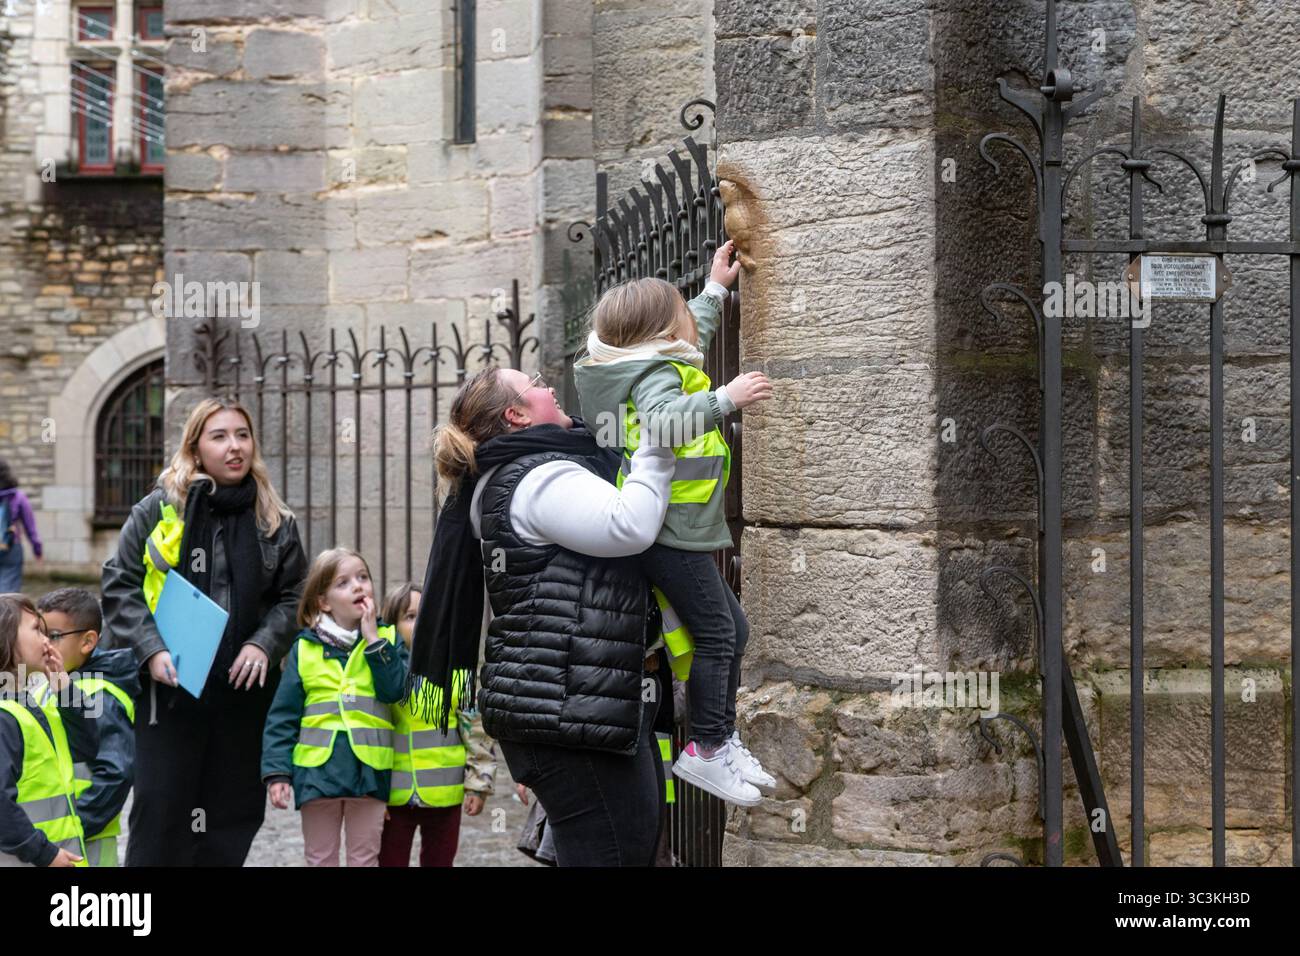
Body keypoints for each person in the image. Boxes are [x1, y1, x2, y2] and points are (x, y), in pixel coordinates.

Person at [407, 365, 676, 866]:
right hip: (569, 711)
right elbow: (630, 524)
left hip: (566, 706)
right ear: (516, 413)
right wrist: (657, 446)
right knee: (616, 855)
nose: (549, 385)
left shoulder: (511, 473)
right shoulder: (538, 477)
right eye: (535, 382)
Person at [572, 241, 775, 805]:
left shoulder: (648, 362)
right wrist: (725, 400)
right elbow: (664, 423)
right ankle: (707, 749)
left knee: (731, 630)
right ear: (662, 334)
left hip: (673, 526)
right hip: (666, 530)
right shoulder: (654, 376)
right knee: (718, 633)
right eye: (683, 311)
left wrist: (714, 290)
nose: (692, 316)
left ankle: (720, 740)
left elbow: (694, 336)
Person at [100, 397, 308, 866]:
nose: (234, 447)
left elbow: (296, 594)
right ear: (195, 448)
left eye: (242, 435)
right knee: (161, 809)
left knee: (231, 814)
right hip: (168, 690)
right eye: (219, 436)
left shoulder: (276, 519)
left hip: (243, 692)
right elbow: (119, 583)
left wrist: (263, 642)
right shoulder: (159, 508)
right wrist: (151, 649)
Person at [261, 548, 405, 867]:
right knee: (320, 858)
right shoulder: (304, 650)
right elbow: (282, 717)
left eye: (363, 577)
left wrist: (373, 641)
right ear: (323, 601)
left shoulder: (388, 640)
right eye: (343, 582)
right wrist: (277, 773)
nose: (358, 586)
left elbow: (394, 689)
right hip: (317, 774)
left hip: (370, 772)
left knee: (364, 859)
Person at [378, 582, 496, 867]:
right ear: (391, 624)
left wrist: (478, 785)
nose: (420, 623)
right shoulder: (383, 672)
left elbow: (476, 731)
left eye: (426, 614)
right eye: (409, 616)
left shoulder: (455, 669)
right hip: (394, 798)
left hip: (446, 795)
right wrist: (373, 794)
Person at [36, 587, 138, 867]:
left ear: (88, 642)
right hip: (55, 840)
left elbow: (116, 773)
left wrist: (73, 828)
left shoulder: (99, 696)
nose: (43, 644)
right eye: (39, 633)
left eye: (53, 636)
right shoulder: (53, 683)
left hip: (82, 844)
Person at [0, 593, 96, 867]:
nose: (47, 641)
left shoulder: (35, 705)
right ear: (4, 637)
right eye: (36, 630)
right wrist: (45, 852)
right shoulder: (5, 716)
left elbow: (88, 747)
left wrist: (65, 690)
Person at [0, 460, 45, 593]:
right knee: (9, 591)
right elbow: (30, 527)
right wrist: (38, 550)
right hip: (11, 545)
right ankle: (5, 613)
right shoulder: (18, 497)